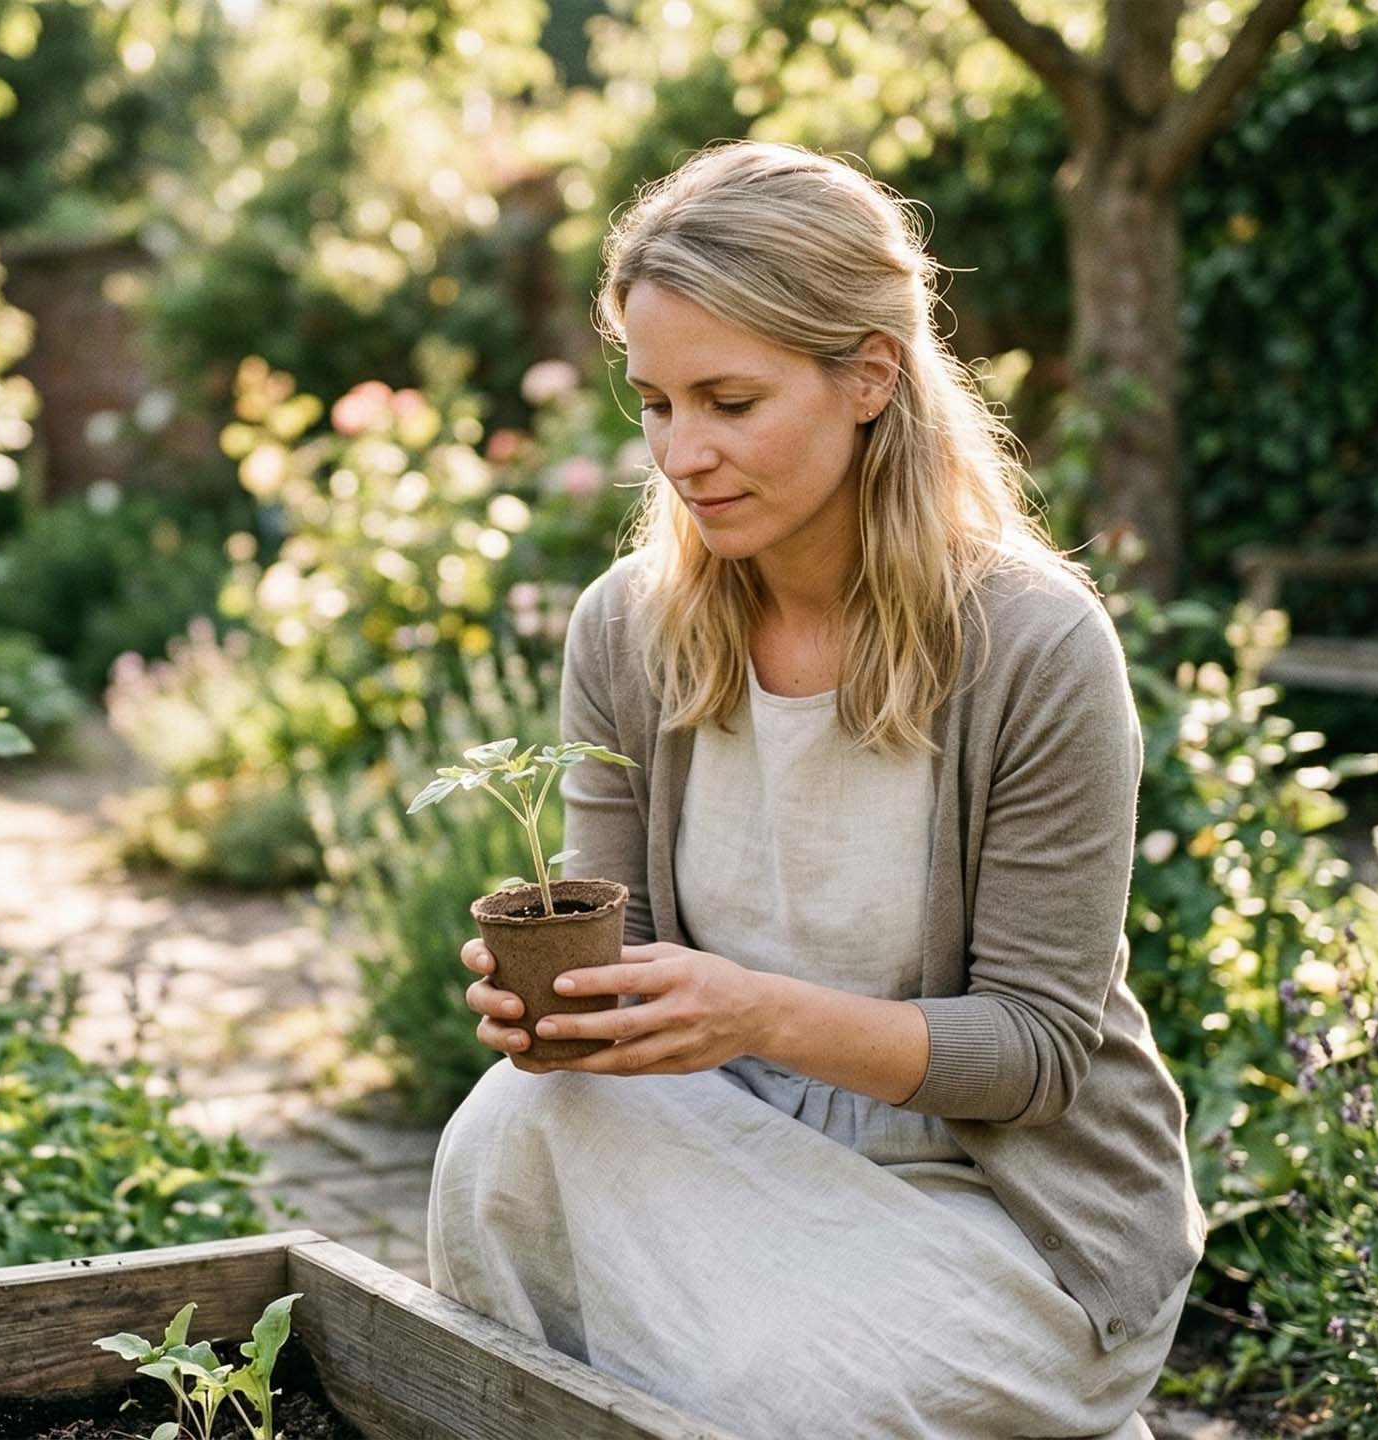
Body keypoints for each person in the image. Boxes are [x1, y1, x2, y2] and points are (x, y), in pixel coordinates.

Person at [424, 140, 1205, 1439]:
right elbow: (640, 962)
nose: (682, 453)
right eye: (656, 402)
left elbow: (1040, 1053)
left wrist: (754, 1016)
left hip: (998, 1205)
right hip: (730, 1149)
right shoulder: (629, 626)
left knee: (768, 1397)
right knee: (508, 1133)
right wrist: (561, 1001)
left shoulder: (1034, 647)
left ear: (869, 378)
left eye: (730, 400)